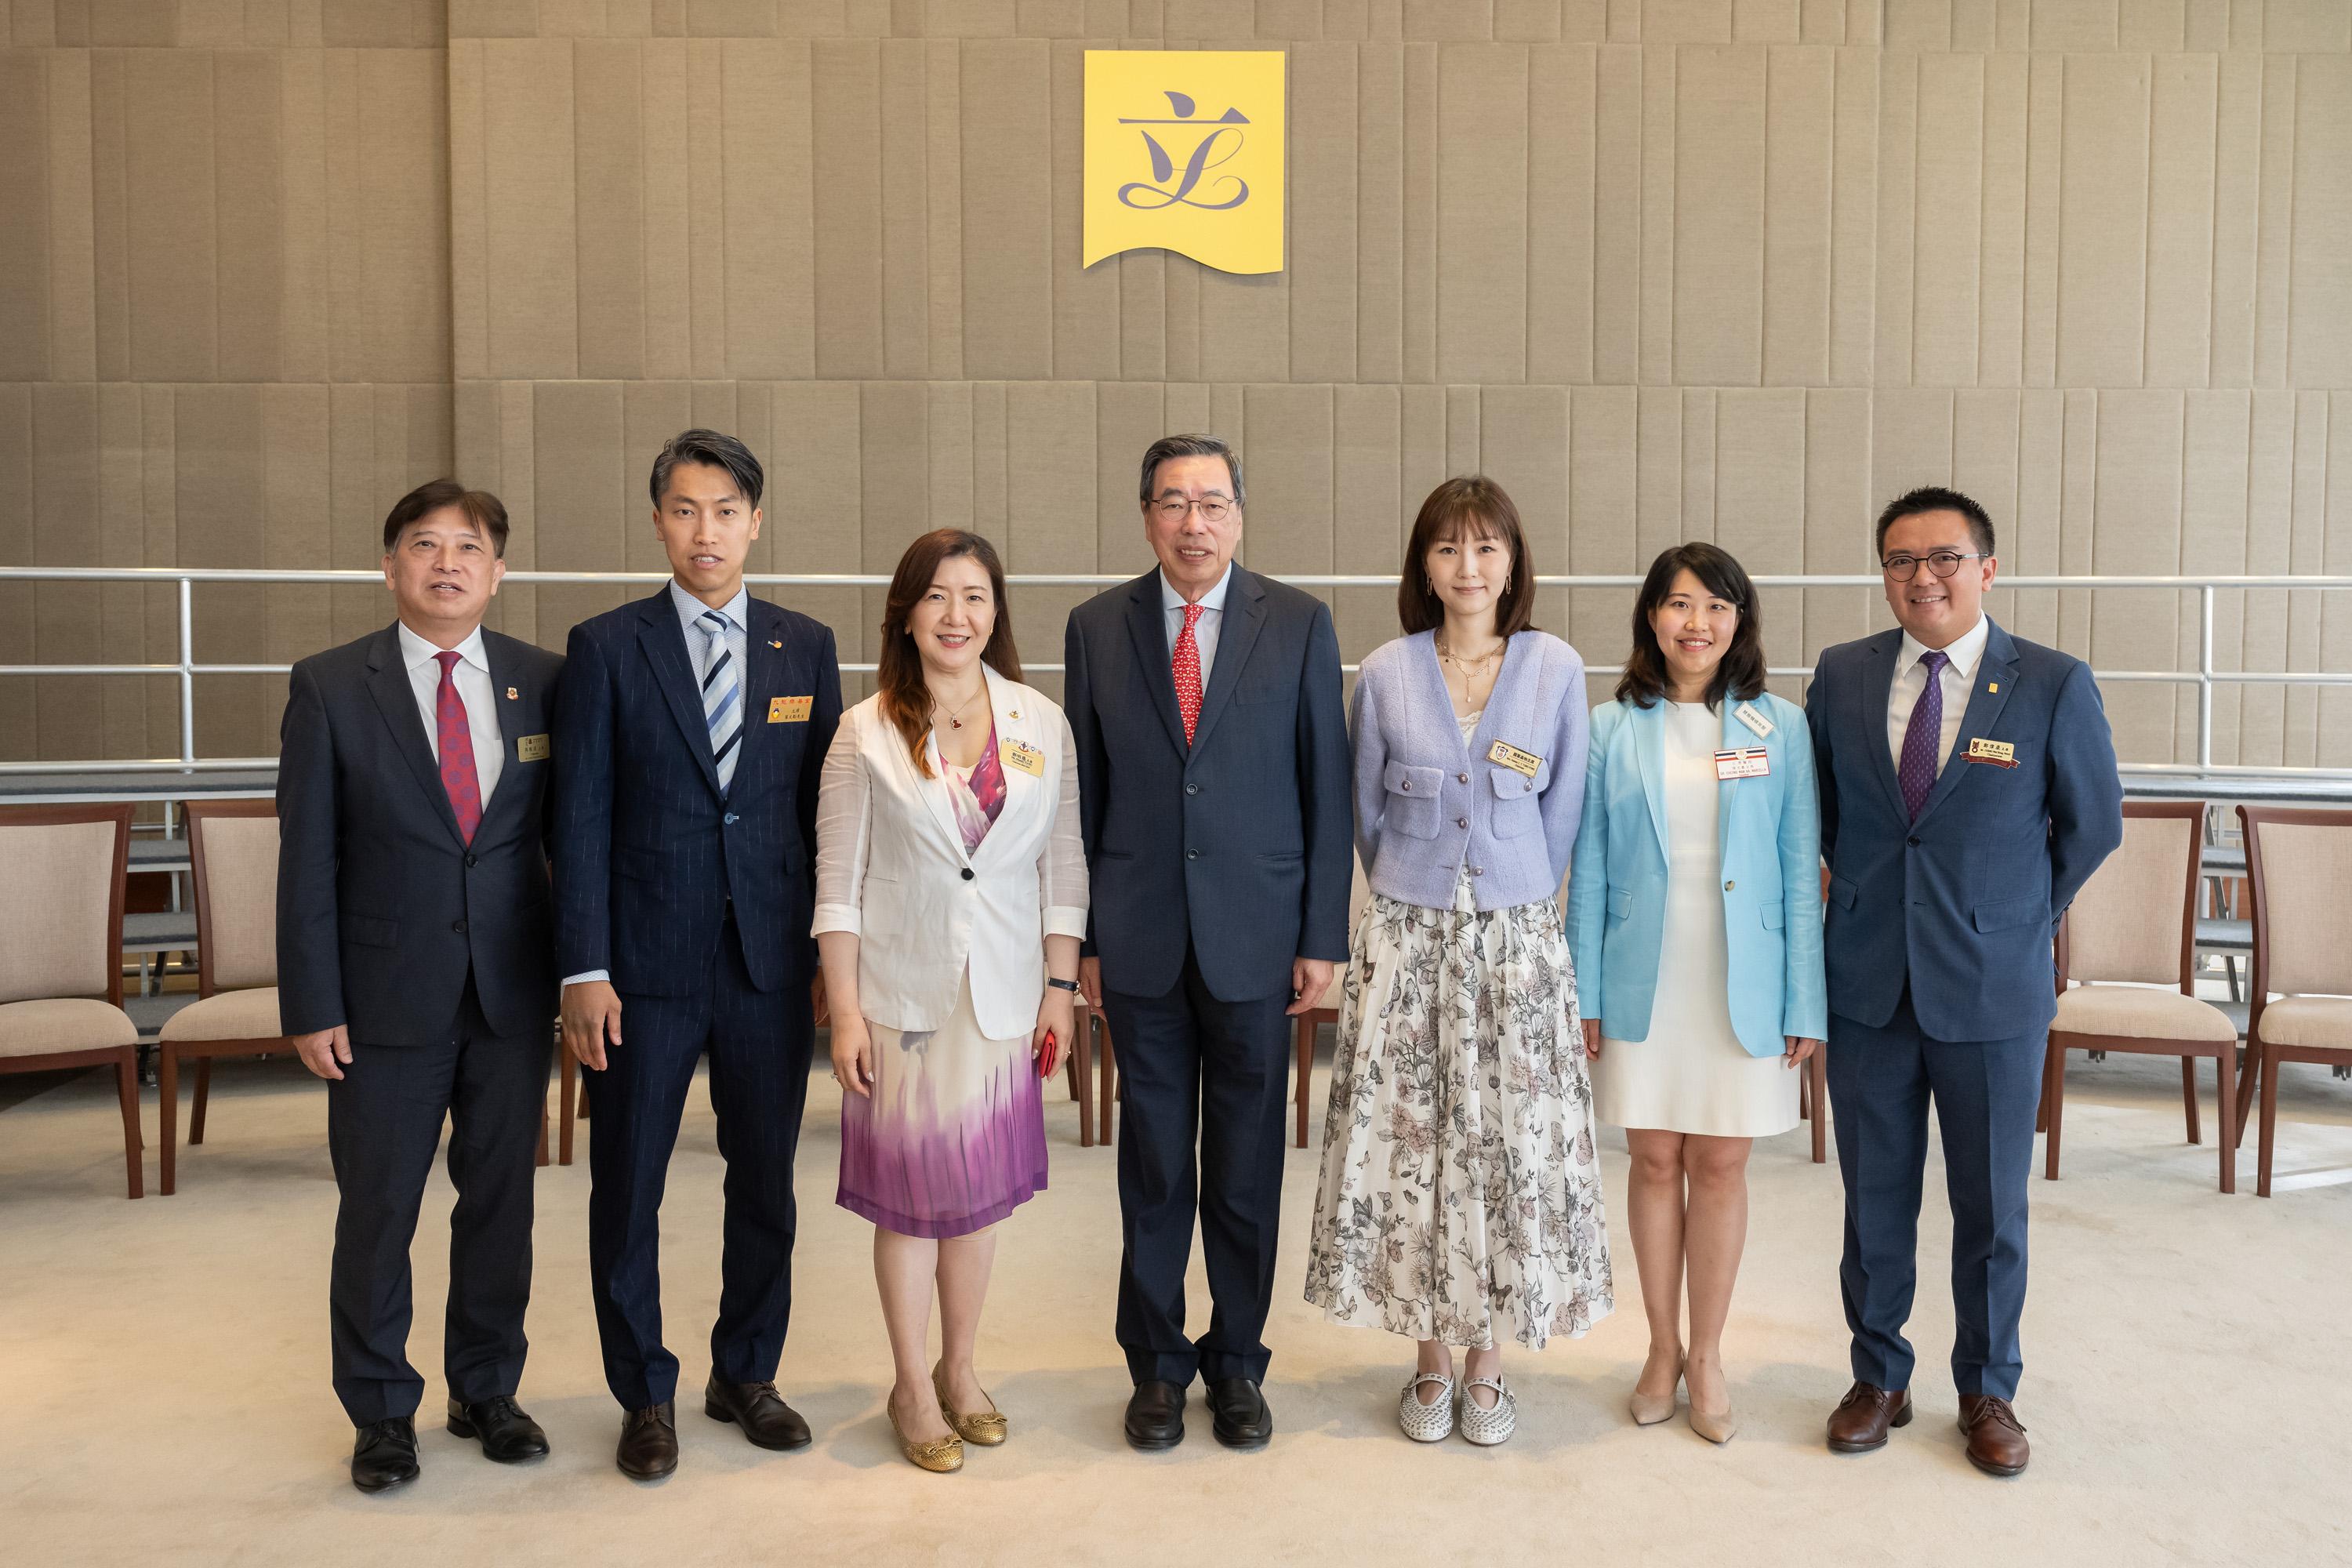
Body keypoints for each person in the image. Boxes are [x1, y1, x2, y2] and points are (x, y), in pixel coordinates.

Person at [1809, 486, 2122, 1476]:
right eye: (1901, 560)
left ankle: (1988, 1388)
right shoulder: (1844, 674)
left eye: (1944, 557)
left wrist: (2019, 912)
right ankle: (1879, 1374)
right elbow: (1821, 814)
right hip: (1868, 982)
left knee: (1992, 1205)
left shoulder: (2053, 683)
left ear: (1987, 568)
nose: (1922, 577)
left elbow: (2095, 822)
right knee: (1875, 1196)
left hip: (1992, 986)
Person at [551, 429, 844, 1481]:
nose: (706, 530)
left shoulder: (805, 647)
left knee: (765, 1181)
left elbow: (829, 814)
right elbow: (577, 816)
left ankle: (745, 1372)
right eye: (685, 509)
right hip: (642, 972)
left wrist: (829, 959)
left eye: (726, 510)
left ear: (755, 522)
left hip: (770, 966)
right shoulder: (607, 646)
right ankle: (646, 1393)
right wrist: (583, 966)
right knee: (627, 1188)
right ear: (659, 520)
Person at [1063, 433, 1352, 1453]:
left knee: (1243, 1169)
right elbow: (1082, 797)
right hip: (1136, 942)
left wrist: (1324, 935)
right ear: (1147, 515)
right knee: (1152, 1169)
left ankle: (1237, 1364)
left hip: (1261, 945)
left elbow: (1328, 792)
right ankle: (1155, 1367)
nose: (1195, 523)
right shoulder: (1097, 628)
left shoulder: (1302, 625)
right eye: (1175, 503)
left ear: (1240, 514)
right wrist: (1086, 939)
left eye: (1213, 503)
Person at [1305, 475, 1607, 1448]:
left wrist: (1511, 887)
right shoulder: (1386, 670)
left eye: (1486, 549)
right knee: (1414, 1145)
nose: (1467, 568)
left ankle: (1490, 1358)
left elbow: (1563, 815)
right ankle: (1429, 1356)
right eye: (1447, 549)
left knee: (1506, 1147)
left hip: (1518, 946)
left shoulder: (1555, 667)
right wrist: (1423, 885)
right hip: (1407, 936)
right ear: (1422, 566)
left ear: (1513, 562)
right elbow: (1364, 812)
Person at [275, 478, 563, 1494]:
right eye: (426, 545)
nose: (449, 563)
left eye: (470, 547)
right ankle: (381, 1409)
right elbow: (305, 857)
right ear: (390, 564)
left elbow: (562, 844)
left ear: (499, 571)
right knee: (379, 1208)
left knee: (501, 1204)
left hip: (511, 999)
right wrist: (311, 1000)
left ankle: (486, 1387)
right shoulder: (329, 686)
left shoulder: (544, 680)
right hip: (380, 1002)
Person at [813, 529, 1087, 1474]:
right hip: (904, 999)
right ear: (906, 613)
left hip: (1008, 995)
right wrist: (845, 1011)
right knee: (911, 1203)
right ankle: (910, 1384)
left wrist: (1061, 985)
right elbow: (838, 883)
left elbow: (1063, 864)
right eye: (936, 597)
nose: (956, 615)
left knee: (977, 1204)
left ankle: (962, 1369)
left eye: (974, 596)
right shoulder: (866, 728)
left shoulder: (1039, 721)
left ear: (996, 612)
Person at [1567, 542, 1825, 1446]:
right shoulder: (1610, 726)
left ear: (1740, 621)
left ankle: (1710, 1352)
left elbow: (1800, 868)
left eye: (1717, 607)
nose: (1696, 623)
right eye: (1679, 604)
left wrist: (1806, 999)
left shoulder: (1777, 727)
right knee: (1652, 1161)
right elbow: (1589, 865)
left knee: (1720, 1163)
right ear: (1650, 617)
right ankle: (1660, 1346)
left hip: (1742, 978)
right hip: (1644, 974)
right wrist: (1582, 989)